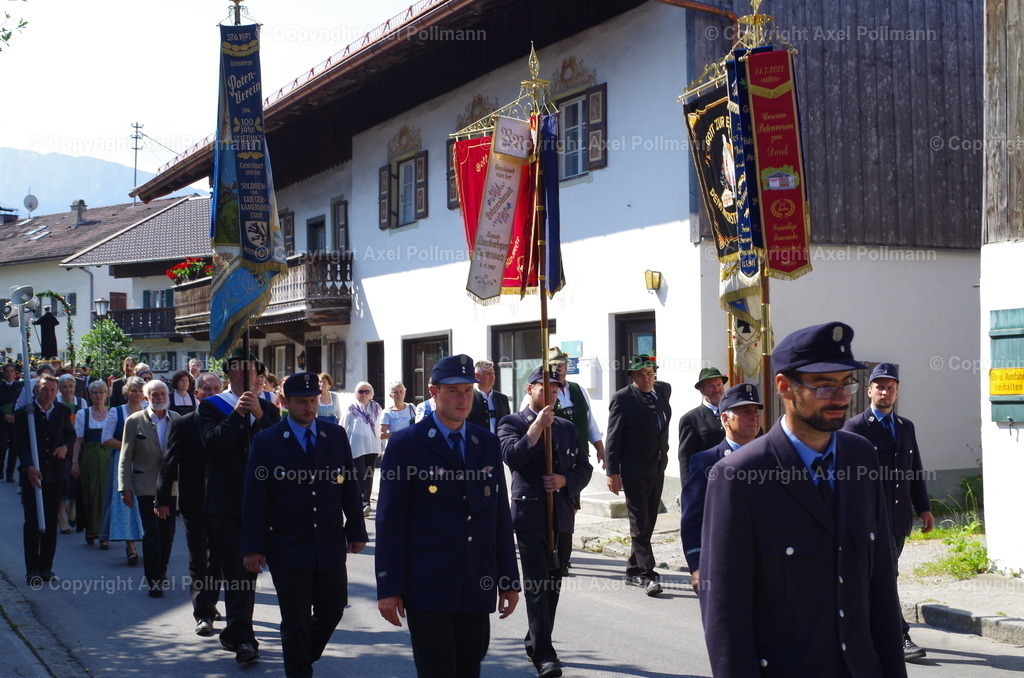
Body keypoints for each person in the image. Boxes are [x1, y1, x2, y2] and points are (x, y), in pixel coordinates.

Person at [700, 322, 907, 677]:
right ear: (785, 386)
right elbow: (725, 610)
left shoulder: (861, 457)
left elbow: (882, 584)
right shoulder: (739, 476)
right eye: (824, 385)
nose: (840, 397)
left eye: (846, 384)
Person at [376, 354, 520, 678]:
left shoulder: (485, 443)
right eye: (453, 391)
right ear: (433, 392)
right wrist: (388, 586)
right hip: (428, 585)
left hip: (475, 583)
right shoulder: (406, 444)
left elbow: (498, 517)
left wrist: (509, 580)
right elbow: (390, 520)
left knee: (469, 669)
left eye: (468, 390)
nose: (462, 399)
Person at [242, 372, 368, 678]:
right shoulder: (267, 441)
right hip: (287, 544)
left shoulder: (334, 435)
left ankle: (299, 657)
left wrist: (356, 529)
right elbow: (254, 498)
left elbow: (349, 485)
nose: (309, 408)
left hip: (328, 540)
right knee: (296, 619)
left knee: (333, 610)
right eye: (301, 402)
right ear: (284, 402)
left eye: (313, 400)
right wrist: (253, 547)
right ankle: (298, 669)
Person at [498, 365, 592, 678]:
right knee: (537, 584)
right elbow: (513, 457)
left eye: (556, 389)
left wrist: (565, 480)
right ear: (530, 389)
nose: (552, 393)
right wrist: (537, 427)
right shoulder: (512, 422)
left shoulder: (566, 427)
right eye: (546, 388)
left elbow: (584, 466)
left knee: (554, 583)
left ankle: (535, 639)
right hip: (530, 515)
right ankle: (544, 654)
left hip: (561, 515)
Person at [843, 362, 935, 661]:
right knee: (885, 576)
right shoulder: (855, 428)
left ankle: (863, 630)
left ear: (896, 392)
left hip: (896, 522)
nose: (885, 391)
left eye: (891, 387)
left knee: (878, 578)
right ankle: (900, 637)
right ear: (869, 391)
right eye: (880, 386)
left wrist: (924, 508)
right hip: (869, 520)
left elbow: (915, 470)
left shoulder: (905, 427)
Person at [199, 349, 280, 665]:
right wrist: (237, 415)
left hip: (263, 504)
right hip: (226, 504)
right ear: (228, 375)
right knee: (237, 572)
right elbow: (212, 443)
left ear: (258, 375)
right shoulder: (211, 406)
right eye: (236, 369)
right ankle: (244, 638)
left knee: (249, 573)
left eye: (250, 369)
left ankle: (236, 632)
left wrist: (259, 414)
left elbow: (279, 444)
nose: (243, 374)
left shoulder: (269, 408)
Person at [156, 373, 224, 636]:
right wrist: (162, 499)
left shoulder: (232, 422)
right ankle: (202, 613)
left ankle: (211, 602)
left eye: (216, 389)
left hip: (224, 502)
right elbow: (169, 463)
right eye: (205, 389)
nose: (210, 392)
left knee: (218, 558)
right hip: (194, 502)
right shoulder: (184, 424)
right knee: (198, 558)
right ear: (196, 394)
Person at [680, 383, 762, 593]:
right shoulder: (706, 462)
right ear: (725, 419)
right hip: (724, 565)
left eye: (755, 411)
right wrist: (697, 566)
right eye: (744, 412)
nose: (753, 417)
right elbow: (692, 518)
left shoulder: (769, 458)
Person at [605, 354, 672, 596]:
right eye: (641, 374)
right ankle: (648, 575)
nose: (646, 378)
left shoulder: (663, 391)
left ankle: (633, 569)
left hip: (657, 466)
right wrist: (612, 471)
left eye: (650, 373)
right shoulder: (622, 399)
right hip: (633, 470)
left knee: (649, 520)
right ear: (632, 376)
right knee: (639, 521)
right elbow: (613, 437)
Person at [118, 380, 180, 596]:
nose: (159, 398)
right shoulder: (134, 421)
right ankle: (153, 579)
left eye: (163, 394)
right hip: (145, 485)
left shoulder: (178, 420)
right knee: (152, 532)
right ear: (146, 398)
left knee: (168, 532)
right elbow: (126, 457)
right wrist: (123, 487)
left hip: (172, 486)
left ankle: (162, 572)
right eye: (154, 394)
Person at [17, 374, 76, 585]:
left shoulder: (62, 411)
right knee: (32, 521)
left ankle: (45, 567)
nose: (48, 393)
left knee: (51, 521)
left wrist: (65, 448)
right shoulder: (24, 413)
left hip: (55, 474)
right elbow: (20, 444)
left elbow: (70, 435)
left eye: (52, 390)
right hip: (33, 474)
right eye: (44, 389)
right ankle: (31, 568)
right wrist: (29, 467)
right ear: (36, 390)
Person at [101, 376, 146, 563]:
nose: (136, 394)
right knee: (127, 503)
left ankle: (148, 541)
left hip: (146, 463)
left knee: (147, 501)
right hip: (124, 462)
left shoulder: (148, 411)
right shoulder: (116, 412)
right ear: (126, 392)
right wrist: (128, 447)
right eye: (133, 390)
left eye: (140, 391)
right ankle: (131, 547)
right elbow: (106, 439)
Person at [676, 367, 727, 495]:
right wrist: (689, 493)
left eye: (719, 384)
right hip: (707, 486)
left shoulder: (733, 414)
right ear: (701, 390)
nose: (717, 389)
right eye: (711, 386)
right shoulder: (691, 419)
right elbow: (686, 460)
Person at [71, 380, 109, 547]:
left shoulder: (112, 413)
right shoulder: (83, 414)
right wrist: (74, 462)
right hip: (90, 457)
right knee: (91, 493)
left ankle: (104, 532)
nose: (98, 396)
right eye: (95, 393)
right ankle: (90, 527)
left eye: (101, 392)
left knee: (107, 495)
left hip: (108, 456)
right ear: (90, 395)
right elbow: (78, 441)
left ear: (106, 395)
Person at [341, 381, 382, 516]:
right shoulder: (351, 407)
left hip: (372, 446)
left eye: (367, 391)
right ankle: (360, 503)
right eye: (361, 391)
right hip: (357, 446)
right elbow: (343, 427)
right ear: (356, 393)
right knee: (360, 475)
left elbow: (381, 426)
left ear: (371, 394)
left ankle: (366, 502)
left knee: (369, 475)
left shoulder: (376, 407)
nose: (364, 394)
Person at [56, 374, 86, 534]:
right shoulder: (56, 403)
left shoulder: (81, 402)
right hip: (62, 445)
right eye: (65, 386)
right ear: (60, 389)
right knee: (63, 480)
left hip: (78, 444)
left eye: (70, 386)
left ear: (75, 387)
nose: (68, 389)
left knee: (76, 480)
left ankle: (71, 508)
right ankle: (61, 516)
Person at [468, 360, 510, 434]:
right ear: (477, 376)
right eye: (489, 374)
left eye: (493, 373)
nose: (492, 377)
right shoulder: (469, 398)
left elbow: (507, 424)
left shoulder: (502, 399)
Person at [0, 362, 24, 482]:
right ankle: (0, 469)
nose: (9, 373)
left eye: (11, 371)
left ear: (15, 373)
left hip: (15, 420)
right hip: (2, 420)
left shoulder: (19, 387)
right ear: (4, 373)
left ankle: (10, 474)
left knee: (14, 447)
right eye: (7, 371)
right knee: (2, 445)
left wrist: (16, 416)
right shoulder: (0, 387)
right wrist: (4, 415)